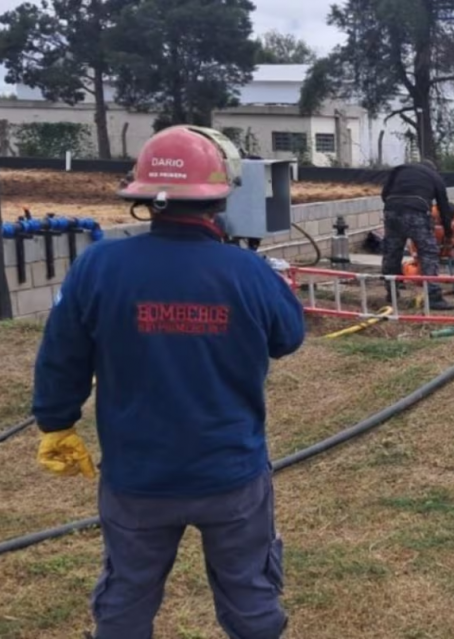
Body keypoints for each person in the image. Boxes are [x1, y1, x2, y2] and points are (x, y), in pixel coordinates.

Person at [32, 125, 306, 639]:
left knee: (126, 598)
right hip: (231, 476)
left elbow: (61, 355)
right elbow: (287, 338)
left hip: (138, 477)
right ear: (222, 191)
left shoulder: (98, 266)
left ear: (143, 197)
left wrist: (55, 422)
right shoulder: (247, 272)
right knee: (250, 595)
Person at [380, 159, 454, 310]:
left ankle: (391, 292)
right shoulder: (435, 177)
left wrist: (395, 207)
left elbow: (384, 194)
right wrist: (448, 233)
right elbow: (444, 207)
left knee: (392, 252)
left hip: (391, 211)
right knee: (428, 253)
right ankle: (434, 297)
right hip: (417, 213)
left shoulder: (399, 169)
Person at [405, 202, 454, 278]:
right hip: (428, 249)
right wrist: (416, 252)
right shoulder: (428, 216)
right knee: (422, 278)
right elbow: (416, 236)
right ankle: (407, 267)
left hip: (448, 247)